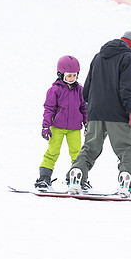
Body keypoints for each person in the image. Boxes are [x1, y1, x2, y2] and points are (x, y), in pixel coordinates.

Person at [66, 31, 131, 197]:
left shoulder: (98, 56)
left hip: (95, 111)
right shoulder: (128, 58)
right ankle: (128, 183)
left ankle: (76, 175)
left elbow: (87, 88)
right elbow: (126, 89)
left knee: (90, 148)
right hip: (117, 113)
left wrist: (88, 107)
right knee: (125, 149)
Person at [34, 55, 87, 191]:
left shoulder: (80, 90)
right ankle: (44, 178)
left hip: (75, 128)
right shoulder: (55, 90)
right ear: (60, 74)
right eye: (69, 76)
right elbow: (49, 109)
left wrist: (87, 123)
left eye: (74, 75)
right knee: (52, 152)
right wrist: (46, 126)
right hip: (57, 127)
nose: (72, 78)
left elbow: (84, 108)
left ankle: (78, 179)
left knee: (77, 154)